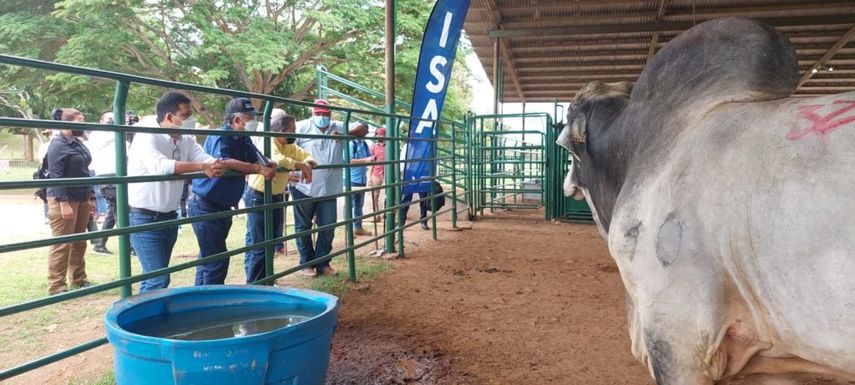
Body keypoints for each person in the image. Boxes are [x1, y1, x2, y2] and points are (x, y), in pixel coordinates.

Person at [127, 92, 224, 293]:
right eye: (186, 114)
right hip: (144, 217)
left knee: (153, 277)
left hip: (170, 216)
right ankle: (144, 321)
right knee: (158, 279)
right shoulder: (147, 136)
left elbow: (203, 156)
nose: (191, 119)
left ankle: (143, 320)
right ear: (170, 117)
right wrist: (201, 166)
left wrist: (214, 163)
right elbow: (160, 166)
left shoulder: (185, 137)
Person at [190, 97, 276, 285]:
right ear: (237, 120)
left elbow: (259, 158)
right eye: (250, 116)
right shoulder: (221, 135)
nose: (253, 120)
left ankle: (201, 299)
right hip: (206, 204)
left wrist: (268, 163)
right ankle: (211, 305)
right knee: (216, 261)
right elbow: (224, 161)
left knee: (210, 258)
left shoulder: (244, 138)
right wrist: (258, 169)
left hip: (222, 205)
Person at [292, 99, 368, 277]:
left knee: (327, 226)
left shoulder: (339, 126)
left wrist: (345, 134)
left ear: (330, 114)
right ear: (312, 113)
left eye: (325, 114)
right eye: (318, 114)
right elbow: (286, 145)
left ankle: (323, 263)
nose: (321, 117)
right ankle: (306, 263)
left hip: (329, 187)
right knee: (303, 226)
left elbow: (364, 127)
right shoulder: (301, 127)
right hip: (304, 186)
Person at [243, 108, 316, 284]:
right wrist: (299, 164)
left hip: (276, 196)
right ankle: (255, 284)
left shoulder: (289, 145)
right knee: (259, 243)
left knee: (271, 241)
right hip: (259, 195)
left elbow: (308, 156)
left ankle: (266, 279)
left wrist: (306, 163)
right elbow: (275, 159)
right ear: (281, 132)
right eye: (292, 131)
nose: (295, 134)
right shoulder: (269, 141)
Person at [45, 108, 92, 295]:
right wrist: (63, 202)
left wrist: (91, 198)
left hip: (81, 197)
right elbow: (55, 175)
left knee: (79, 241)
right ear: (67, 124)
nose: (84, 125)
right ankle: (57, 285)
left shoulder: (77, 144)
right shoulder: (57, 144)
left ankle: (79, 278)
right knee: (62, 243)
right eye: (80, 122)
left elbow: (86, 172)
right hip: (63, 198)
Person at [86, 110, 123, 254]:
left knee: (113, 211)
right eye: (109, 119)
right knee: (119, 211)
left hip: (122, 175)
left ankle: (99, 243)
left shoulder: (119, 135)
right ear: (101, 121)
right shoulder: (98, 135)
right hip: (108, 177)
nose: (113, 121)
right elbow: (110, 136)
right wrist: (117, 125)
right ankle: (130, 244)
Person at [347, 125, 375, 236]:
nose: (366, 133)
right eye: (364, 131)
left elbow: (369, 157)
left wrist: (372, 159)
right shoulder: (351, 143)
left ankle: (357, 227)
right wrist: (365, 160)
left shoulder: (363, 143)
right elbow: (348, 161)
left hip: (361, 178)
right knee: (349, 204)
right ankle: (349, 229)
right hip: (351, 178)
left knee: (359, 205)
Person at [399, 141, 430, 230]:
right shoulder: (407, 146)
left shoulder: (425, 146)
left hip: (422, 172)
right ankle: (402, 221)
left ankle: (423, 221)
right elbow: (402, 160)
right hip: (410, 173)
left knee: (424, 198)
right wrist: (403, 172)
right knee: (406, 198)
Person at [368, 127, 386, 223]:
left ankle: (390, 215)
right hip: (376, 173)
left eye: (380, 134)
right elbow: (371, 162)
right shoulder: (374, 147)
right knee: (375, 195)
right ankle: (376, 215)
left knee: (391, 194)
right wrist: (369, 177)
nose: (378, 136)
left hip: (387, 173)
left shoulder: (390, 146)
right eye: (377, 134)